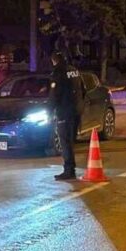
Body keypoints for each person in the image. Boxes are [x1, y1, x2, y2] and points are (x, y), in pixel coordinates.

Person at [49, 51, 84, 181]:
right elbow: (82, 89)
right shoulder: (74, 71)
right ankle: (71, 168)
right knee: (71, 140)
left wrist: (49, 110)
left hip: (65, 111)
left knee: (65, 142)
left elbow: (54, 95)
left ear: (54, 60)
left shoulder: (58, 72)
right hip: (76, 110)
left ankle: (69, 170)